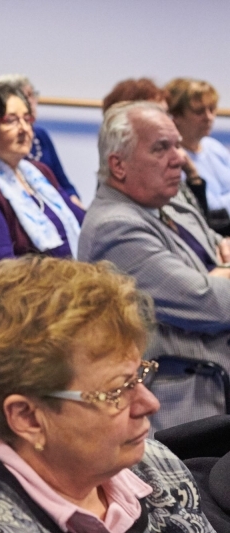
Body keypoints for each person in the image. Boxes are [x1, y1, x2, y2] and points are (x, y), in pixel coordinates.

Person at [0, 257, 215, 533]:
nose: (150, 404)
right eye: (117, 390)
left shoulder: (155, 467)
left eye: (139, 376)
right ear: (28, 418)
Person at [78, 101, 230, 431]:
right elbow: (212, 303)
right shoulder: (114, 228)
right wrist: (213, 276)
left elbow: (218, 250)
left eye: (176, 144)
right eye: (161, 148)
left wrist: (217, 273)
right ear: (119, 165)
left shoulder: (169, 202)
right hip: (192, 391)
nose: (179, 157)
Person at [0, 82, 85, 271]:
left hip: (72, 279)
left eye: (27, 120)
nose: (24, 129)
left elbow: (83, 222)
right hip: (30, 290)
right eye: (11, 120)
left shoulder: (39, 172)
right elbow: (0, 262)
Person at [103, 77, 210, 219]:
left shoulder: (159, 180)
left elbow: (197, 223)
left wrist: (193, 177)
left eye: (167, 113)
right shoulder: (120, 217)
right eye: (160, 114)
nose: (179, 159)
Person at [0, 74, 82, 204]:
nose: (30, 102)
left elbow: (64, 185)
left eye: (31, 95)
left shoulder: (40, 135)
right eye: (23, 96)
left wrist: (76, 207)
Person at [166, 78, 230, 219]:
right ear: (176, 115)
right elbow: (205, 208)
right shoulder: (173, 158)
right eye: (199, 111)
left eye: (212, 109)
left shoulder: (215, 147)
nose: (209, 117)